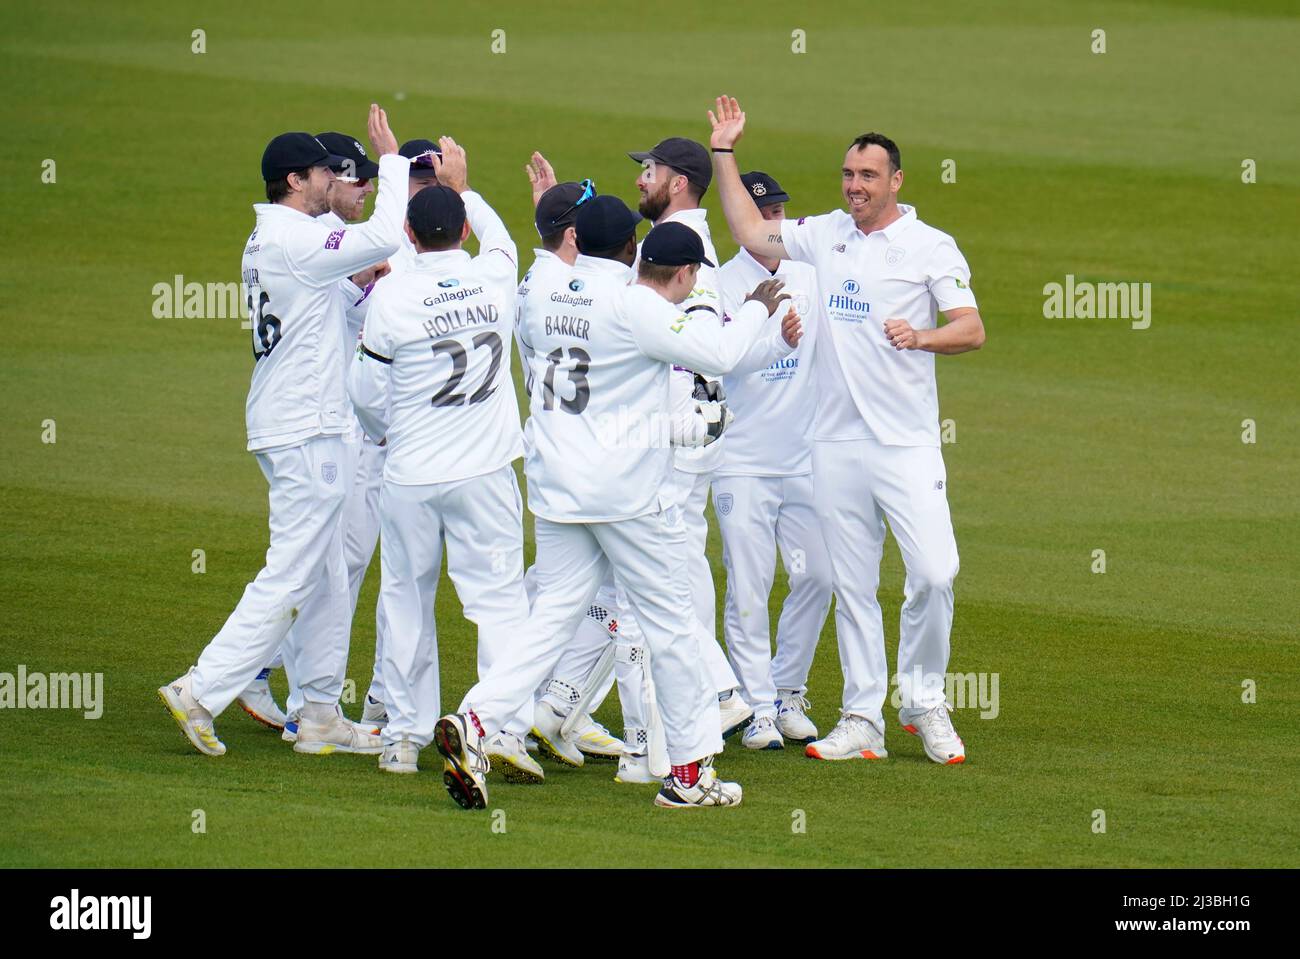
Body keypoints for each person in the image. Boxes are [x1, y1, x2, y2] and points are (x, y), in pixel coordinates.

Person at [432, 208, 800, 811]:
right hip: (626, 495)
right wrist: (759, 304)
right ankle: (688, 777)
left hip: (555, 487)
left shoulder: (544, 286)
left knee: (550, 618)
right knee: (675, 630)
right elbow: (720, 354)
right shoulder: (634, 306)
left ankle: (475, 722)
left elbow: (542, 252)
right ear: (631, 247)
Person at [708, 95, 985, 764]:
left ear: (896, 181)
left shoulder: (928, 245)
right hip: (833, 444)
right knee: (853, 586)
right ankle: (862, 716)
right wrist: (724, 152)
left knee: (935, 570)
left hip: (906, 443)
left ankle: (922, 699)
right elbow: (750, 233)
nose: (855, 186)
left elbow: (970, 328)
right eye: (848, 175)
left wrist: (920, 336)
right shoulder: (824, 233)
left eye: (868, 176)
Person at [158, 106, 409, 757]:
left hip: (295, 420)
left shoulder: (275, 238)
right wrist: (395, 159)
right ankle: (203, 686)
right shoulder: (297, 239)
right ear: (296, 180)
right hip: (306, 426)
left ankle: (320, 712)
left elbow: (322, 306)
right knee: (294, 568)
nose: (333, 181)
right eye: (325, 172)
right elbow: (384, 235)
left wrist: (355, 286)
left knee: (326, 571)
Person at [347, 138, 544, 783]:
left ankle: (404, 738)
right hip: (486, 471)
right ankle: (503, 730)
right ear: (461, 227)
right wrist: (465, 185)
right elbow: (504, 241)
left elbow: (368, 397)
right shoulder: (495, 275)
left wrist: (394, 432)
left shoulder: (393, 297)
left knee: (405, 600)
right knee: (499, 603)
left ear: (405, 232)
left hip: (411, 473)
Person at [628, 137, 753, 738]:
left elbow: (697, 352)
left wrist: (658, 433)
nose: (639, 180)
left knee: (655, 574)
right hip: (690, 433)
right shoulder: (677, 239)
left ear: (677, 182)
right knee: (681, 566)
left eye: (648, 171)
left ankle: (717, 693)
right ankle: (708, 696)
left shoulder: (682, 247)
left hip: (675, 436)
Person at [714, 170, 831, 749]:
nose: (771, 225)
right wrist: (770, 338)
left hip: (807, 456)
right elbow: (715, 363)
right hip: (741, 457)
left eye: (777, 214)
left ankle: (787, 691)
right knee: (749, 587)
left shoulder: (811, 274)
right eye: (761, 216)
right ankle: (756, 707)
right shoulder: (716, 283)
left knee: (819, 575)